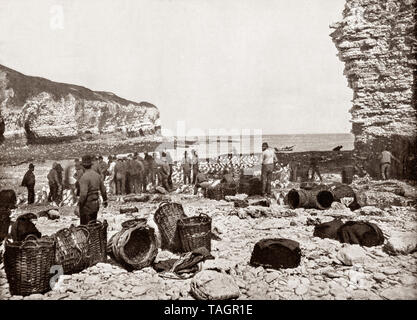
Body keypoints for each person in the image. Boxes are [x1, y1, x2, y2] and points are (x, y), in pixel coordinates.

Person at [77, 155, 108, 225]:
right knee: (93, 225)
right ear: (91, 165)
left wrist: (79, 205)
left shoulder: (84, 178)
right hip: (95, 204)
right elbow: (103, 190)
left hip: (86, 205)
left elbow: (83, 194)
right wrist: (105, 200)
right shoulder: (97, 176)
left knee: (85, 227)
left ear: (83, 166)